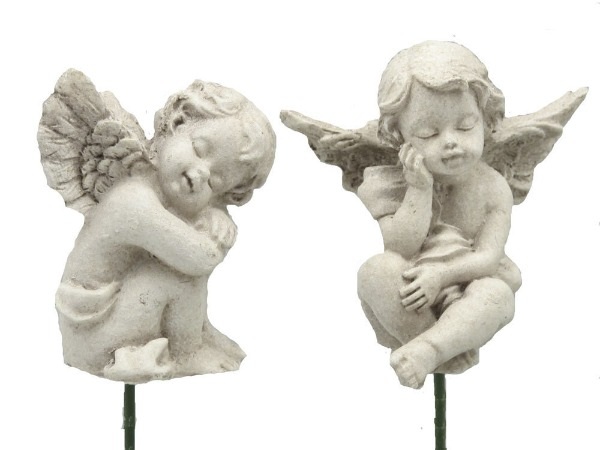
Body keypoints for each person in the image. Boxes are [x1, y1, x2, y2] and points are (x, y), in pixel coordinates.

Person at [55, 80, 276, 382]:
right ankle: (187, 351)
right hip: (93, 336)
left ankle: (195, 336)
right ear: (177, 124)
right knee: (177, 275)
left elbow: (190, 228)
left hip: (111, 318)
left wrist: (213, 214)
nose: (200, 174)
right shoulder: (132, 199)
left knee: (172, 269)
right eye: (199, 149)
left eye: (215, 183)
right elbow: (199, 258)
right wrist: (212, 235)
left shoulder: (166, 198)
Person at [356, 41, 521, 389]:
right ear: (399, 137)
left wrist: (442, 275)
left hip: (469, 283)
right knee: (375, 271)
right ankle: (439, 346)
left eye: (465, 126)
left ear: (486, 120)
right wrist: (419, 189)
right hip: (413, 295)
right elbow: (400, 247)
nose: (450, 142)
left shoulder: (493, 187)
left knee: (498, 296)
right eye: (429, 133)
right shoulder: (393, 181)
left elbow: (488, 257)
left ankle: (430, 349)